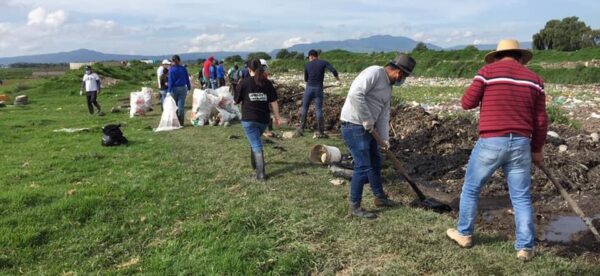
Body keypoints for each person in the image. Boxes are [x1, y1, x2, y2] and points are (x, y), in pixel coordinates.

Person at [446, 39, 548, 262]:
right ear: (520, 57)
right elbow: (541, 120)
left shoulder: (487, 72)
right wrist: (537, 148)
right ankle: (525, 248)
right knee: (521, 197)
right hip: (521, 142)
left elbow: (467, 103)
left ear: (497, 56)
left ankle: (464, 234)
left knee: (472, 188)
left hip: (492, 140)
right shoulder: (535, 80)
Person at [340, 53, 416, 219]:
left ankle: (380, 197)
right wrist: (366, 118)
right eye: (404, 76)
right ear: (398, 72)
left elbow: (384, 115)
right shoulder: (374, 72)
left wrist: (385, 138)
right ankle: (354, 206)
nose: (403, 80)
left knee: (376, 161)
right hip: (353, 125)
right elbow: (355, 94)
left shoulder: (388, 87)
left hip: (369, 128)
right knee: (362, 165)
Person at [234, 59, 281, 181]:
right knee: (254, 140)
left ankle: (261, 174)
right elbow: (274, 102)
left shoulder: (244, 83)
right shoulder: (267, 83)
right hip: (263, 120)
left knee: (256, 144)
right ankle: (254, 164)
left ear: (249, 70)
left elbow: (235, 101)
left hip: (249, 120)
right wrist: (277, 117)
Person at [294, 49, 341, 138]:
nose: (309, 59)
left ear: (311, 56)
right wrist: (338, 80)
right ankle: (321, 131)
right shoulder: (323, 62)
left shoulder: (307, 65)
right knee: (318, 109)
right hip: (319, 89)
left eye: (309, 57)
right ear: (317, 56)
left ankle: (301, 128)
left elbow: (305, 79)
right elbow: (334, 70)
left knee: (305, 108)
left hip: (309, 88)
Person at [167, 55, 192, 126]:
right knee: (181, 105)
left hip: (174, 89)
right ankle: (181, 122)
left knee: (175, 105)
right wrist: (189, 88)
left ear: (173, 61)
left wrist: (169, 91)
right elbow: (187, 78)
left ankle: (176, 121)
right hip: (183, 88)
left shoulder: (171, 70)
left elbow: (170, 81)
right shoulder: (183, 68)